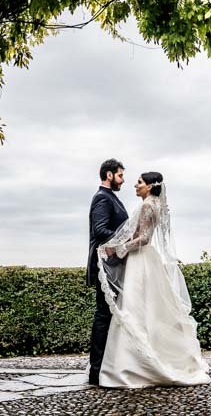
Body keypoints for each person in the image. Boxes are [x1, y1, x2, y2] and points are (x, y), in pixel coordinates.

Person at [95, 171, 211, 388]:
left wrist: (118, 249)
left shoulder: (148, 205)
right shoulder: (155, 203)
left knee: (135, 307)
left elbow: (145, 238)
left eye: (139, 182)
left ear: (149, 186)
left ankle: (132, 366)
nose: (135, 185)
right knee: (149, 310)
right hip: (148, 259)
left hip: (141, 260)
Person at [87, 158, 128, 386]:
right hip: (105, 268)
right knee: (103, 316)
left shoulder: (112, 198)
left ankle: (106, 366)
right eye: (120, 175)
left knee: (109, 316)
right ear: (109, 175)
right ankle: (96, 371)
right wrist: (129, 237)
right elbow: (100, 231)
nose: (123, 179)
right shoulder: (102, 198)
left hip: (113, 266)